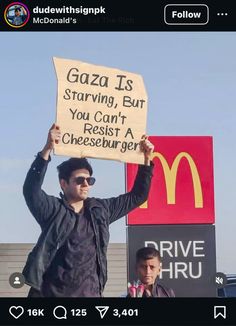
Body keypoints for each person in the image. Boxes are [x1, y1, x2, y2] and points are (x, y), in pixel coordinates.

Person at [23, 123, 154, 297]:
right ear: (63, 183)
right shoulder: (53, 210)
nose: (86, 184)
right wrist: (47, 149)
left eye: (89, 180)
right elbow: (31, 190)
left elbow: (138, 196)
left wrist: (146, 160)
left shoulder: (101, 210)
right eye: (79, 180)